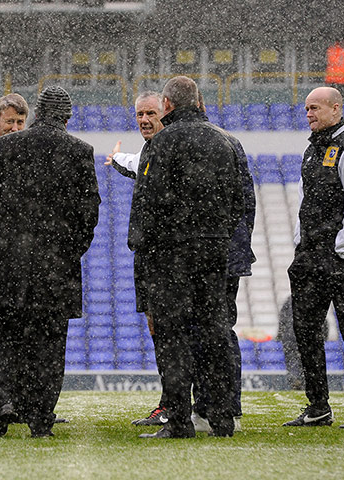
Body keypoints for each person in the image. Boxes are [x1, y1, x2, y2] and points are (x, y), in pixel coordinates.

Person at [0, 86, 100, 438]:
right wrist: (69, 250)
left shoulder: (7, 146)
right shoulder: (79, 151)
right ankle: (41, 417)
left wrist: (3, 247)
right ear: (67, 117)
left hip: (7, 266)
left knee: (1, 337)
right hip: (55, 268)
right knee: (48, 342)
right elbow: (89, 212)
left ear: (36, 114)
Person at [131, 76, 243, 439]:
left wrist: (145, 248)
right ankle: (222, 419)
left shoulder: (161, 144)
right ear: (198, 101)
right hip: (213, 255)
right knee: (215, 336)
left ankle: (179, 421)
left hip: (171, 257)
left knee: (173, 338)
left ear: (167, 104)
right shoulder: (225, 142)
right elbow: (240, 203)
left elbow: (147, 205)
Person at [284, 86, 344, 430]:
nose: (309, 114)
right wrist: (300, 243)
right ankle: (318, 405)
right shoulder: (311, 150)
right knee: (305, 331)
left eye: (316, 108)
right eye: (307, 108)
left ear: (336, 109)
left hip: (341, 258)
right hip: (310, 255)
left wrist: (340, 250)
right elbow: (304, 200)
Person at [189, 93, 256, 434]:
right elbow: (247, 203)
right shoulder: (229, 143)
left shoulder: (199, 143)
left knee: (212, 332)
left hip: (212, 256)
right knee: (220, 331)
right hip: (227, 253)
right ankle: (224, 408)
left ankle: (212, 407)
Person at [103, 91, 169, 426]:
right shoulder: (151, 150)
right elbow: (139, 164)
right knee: (157, 325)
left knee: (170, 329)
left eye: (150, 113)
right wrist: (117, 160)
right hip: (149, 254)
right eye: (139, 114)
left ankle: (177, 404)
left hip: (165, 256)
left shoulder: (168, 147)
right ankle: (171, 402)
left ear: (165, 112)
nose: (144, 120)